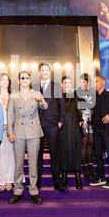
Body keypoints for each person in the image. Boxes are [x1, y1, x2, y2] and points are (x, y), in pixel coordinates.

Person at [8, 71, 48, 204]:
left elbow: (45, 107)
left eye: (27, 78)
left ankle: (33, 190)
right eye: (22, 78)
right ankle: (18, 190)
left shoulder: (36, 93)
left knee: (33, 163)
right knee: (18, 163)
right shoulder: (13, 95)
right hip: (18, 131)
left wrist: (41, 100)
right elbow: (10, 116)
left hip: (34, 132)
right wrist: (10, 132)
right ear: (19, 80)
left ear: (30, 80)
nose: (25, 80)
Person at [33, 62, 66, 191]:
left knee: (55, 154)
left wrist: (61, 121)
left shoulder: (57, 86)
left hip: (53, 125)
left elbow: (62, 105)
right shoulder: (34, 86)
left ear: (49, 72)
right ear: (39, 72)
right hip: (37, 125)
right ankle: (37, 183)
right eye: (42, 70)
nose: (45, 72)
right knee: (37, 155)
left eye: (47, 70)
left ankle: (57, 182)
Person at [59, 76, 83, 189]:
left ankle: (78, 176)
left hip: (75, 127)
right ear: (62, 85)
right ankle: (64, 177)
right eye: (65, 82)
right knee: (63, 152)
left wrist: (82, 121)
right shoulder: (58, 97)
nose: (67, 84)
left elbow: (82, 112)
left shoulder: (77, 96)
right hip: (62, 128)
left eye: (69, 82)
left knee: (76, 151)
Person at [0, 73, 15, 192]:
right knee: (0, 155)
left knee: (11, 155)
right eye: (2, 79)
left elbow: (17, 113)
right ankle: (1, 180)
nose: (5, 81)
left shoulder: (13, 96)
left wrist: (10, 126)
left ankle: (10, 180)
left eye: (7, 79)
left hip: (12, 129)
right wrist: (0, 125)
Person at [76, 73, 95, 181]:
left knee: (90, 144)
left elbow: (94, 108)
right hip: (82, 122)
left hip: (91, 122)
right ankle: (84, 168)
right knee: (84, 144)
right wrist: (81, 121)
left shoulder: (93, 93)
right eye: (82, 81)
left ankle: (89, 165)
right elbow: (76, 109)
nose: (84, 83)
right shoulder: (76, 93)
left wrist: (90, 121)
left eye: (86, 81)